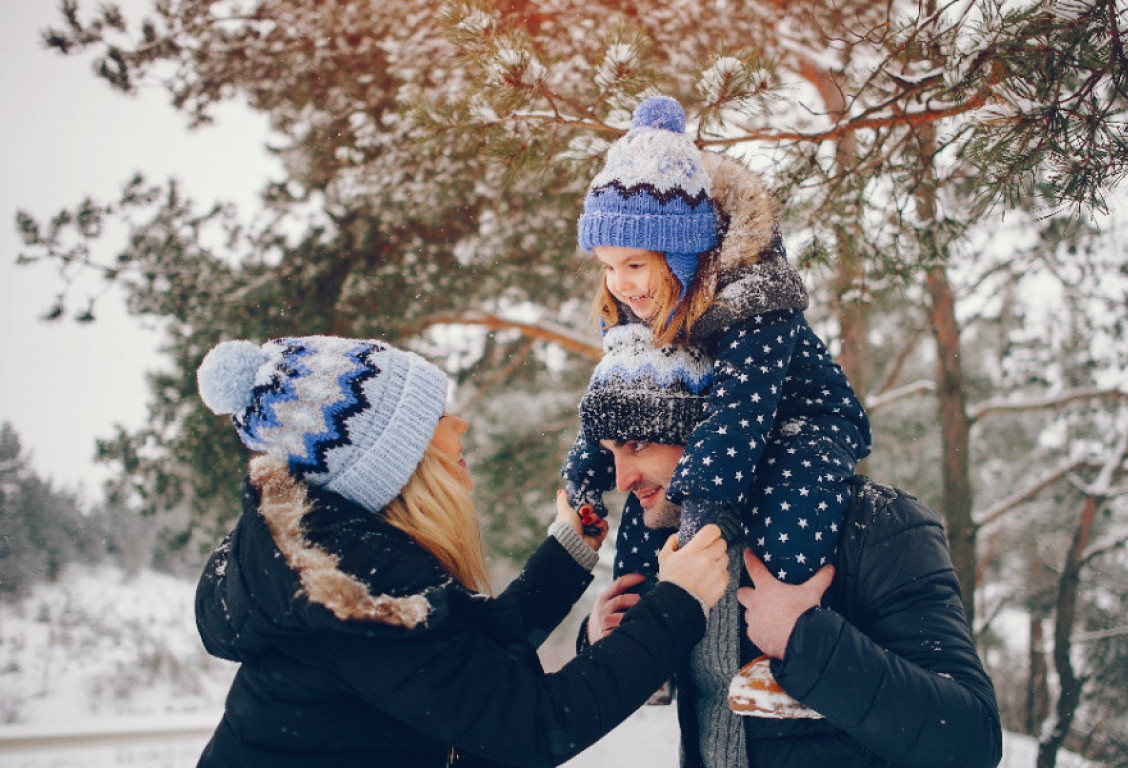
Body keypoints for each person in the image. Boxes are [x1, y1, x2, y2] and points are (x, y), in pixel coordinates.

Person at [190, 334, 729, 768]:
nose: (460, 426)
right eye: (437, 421)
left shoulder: (344, 569)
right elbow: (532, 726)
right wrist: (677, 602)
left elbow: (463, 666)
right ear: (397, 464)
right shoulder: (351, 597)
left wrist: (565, 557)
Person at [575, 326, 1003, 768]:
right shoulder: (675, 547)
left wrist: (806, 638)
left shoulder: (876, 524)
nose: (622, 479)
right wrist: (603, 641)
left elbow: (973, 739)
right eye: (611, 453)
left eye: (638, 445)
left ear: (709, 432)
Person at [563, 94, 873, 593]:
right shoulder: (639, 303)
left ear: (681, 253)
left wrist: (700, 515)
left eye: (635, 264)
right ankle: (637, 632)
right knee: (651, 516)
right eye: (607, 266)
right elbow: (621, 405)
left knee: (788, 514)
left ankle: (782, 631)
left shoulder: (755, 297)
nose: (620, 283)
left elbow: (738, 412)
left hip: (798, 419)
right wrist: (585, 481)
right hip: (715, 425)